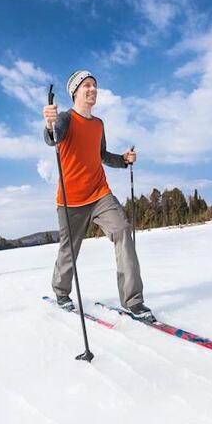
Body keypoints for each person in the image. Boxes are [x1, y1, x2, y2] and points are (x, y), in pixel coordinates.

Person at [42, 70, 154, 321]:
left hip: (99, 193)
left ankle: (133, 300)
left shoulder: (99, 124)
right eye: (87, 86)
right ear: (75, 92)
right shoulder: (65, 118)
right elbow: (52, 137)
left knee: (123, 230)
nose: (93, 89)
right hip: (71, 200)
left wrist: (123, 160)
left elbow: (101, 155)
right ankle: (61, 292)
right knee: (69, 250)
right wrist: (48, 124)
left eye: (95, 85)